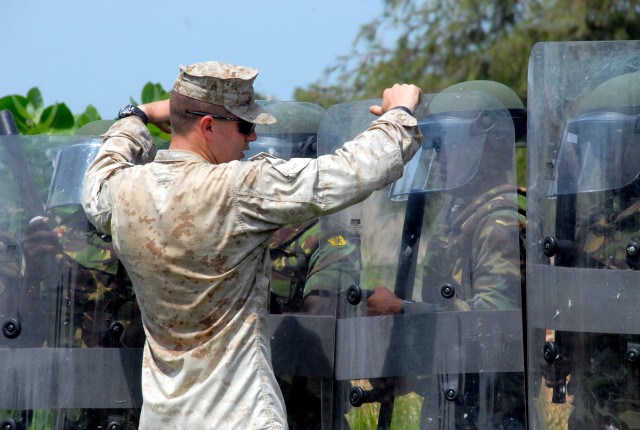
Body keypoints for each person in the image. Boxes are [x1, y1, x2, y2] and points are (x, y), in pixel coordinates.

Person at [81, 61, 422, 429]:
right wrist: (398, 116)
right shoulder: (238, 189)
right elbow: (348, 172)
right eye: (246, 126)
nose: (253, 138)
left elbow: (100, 172)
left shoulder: (121, 193)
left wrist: (137, 116)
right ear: (208, 126)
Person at [364, 80, 527, 429]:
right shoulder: (460, 218)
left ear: (489, 147)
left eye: (449, 144)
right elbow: (450, 338)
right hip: (455, 404)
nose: (439, 156)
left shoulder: (499, 222)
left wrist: (402, 309)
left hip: (491, 412)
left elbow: (494, 326)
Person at [538, 71, 640, 430]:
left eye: (616, 139)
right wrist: (561, 346)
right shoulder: (597, 221)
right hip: (592, 411)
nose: (607, 152)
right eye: (600, 141)